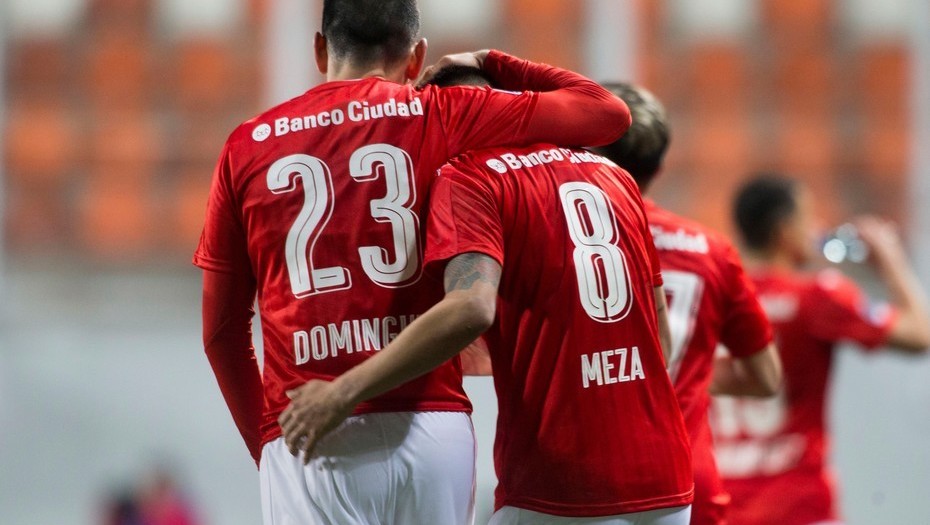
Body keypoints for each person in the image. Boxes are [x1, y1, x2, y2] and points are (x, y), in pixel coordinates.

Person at [194, 0, 632, 523]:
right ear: (417, 56)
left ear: (319, 49)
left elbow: (222, 332)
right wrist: (490, 60)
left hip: (314, 429)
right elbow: (606, 114)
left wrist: (269, 442)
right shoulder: (443, 113)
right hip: (432, 427)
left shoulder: (247, 146)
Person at [279, 66, 694, 525]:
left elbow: (471, 307)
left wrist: (342, 392)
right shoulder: (612, 175)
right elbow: (657, 335)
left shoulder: (471, 176)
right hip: (668, 480)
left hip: (562, 483)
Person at [590, 83, 783, 525]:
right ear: (659, 167)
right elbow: (765, 377)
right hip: (688, 485)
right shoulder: (711, 250)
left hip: (582, 484)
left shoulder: (555, 237)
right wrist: (686, 370)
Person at [710, 175, 930, 525]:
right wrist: (890, 260)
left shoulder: (713, 299)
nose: (816, 228)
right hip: (799, 505)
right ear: (784, 231)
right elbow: (920, 335)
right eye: (808, 217)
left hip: (726, 505)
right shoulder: (817, 297)